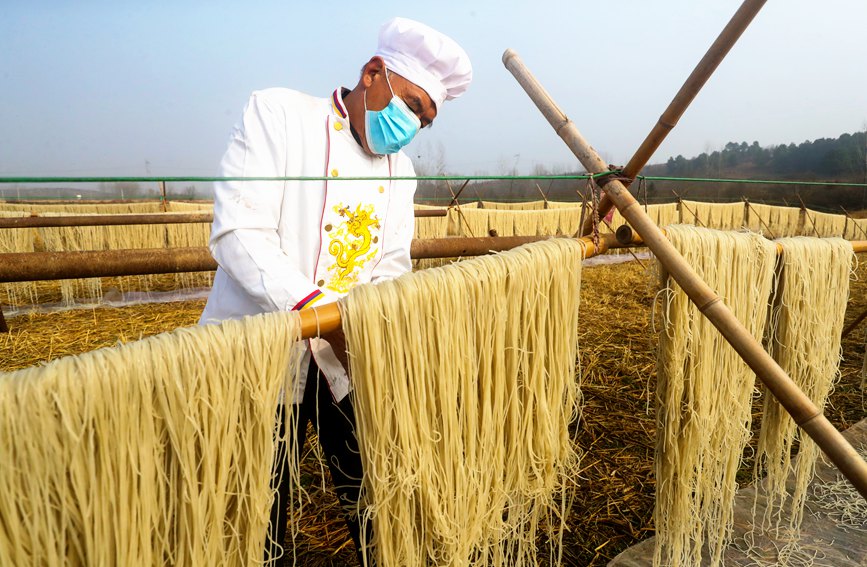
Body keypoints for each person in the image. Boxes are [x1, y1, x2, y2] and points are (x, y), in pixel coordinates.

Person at [198, 16, 472, 565]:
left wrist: (372, 333)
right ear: (374, 74)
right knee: (253, 508)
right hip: (257, 352)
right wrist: (324, 314)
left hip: (344, 360)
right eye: (413, 107)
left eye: (426, 120)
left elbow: (391, 266)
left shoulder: (402, 171)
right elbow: (239, 234)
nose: (413, 126)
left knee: (375, 498)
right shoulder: (279, 115)